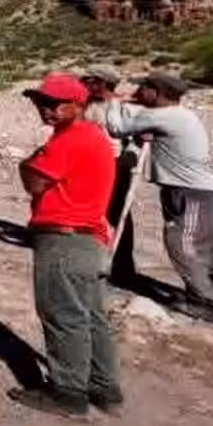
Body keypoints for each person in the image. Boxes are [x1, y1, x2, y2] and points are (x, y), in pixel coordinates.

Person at [13, 74, 121, 418]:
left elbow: (34, 181)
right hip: (89, 238)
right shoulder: (91, 136)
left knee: (64, 316)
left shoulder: (70, 139)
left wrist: (27, 162)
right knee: (91, 317)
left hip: (64, 238)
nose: (45, 109)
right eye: (41, 102)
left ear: (78, 105)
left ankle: (69, 392)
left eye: (54, 104)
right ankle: (104, 388)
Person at [104, 72, 213, 323]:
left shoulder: (166, 116)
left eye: (143, 88)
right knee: (206, 247)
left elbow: (117, 128)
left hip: (192, 193)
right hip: (196, 192)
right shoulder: (176, 115)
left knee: (183, 244)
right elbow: (143, 123)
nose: (138, 92)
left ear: (157, 92)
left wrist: (113, 101)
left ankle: (206, 302)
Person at [80, 65, 145, 286]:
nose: (84, 84)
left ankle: (123, 267)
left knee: (117, 214)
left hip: (115, 164)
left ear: (102, 82)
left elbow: (138, 135)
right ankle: (92, 257)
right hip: (88, 163)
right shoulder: (86, 104)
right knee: (92, 211)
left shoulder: (123, 106)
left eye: (89, 80)